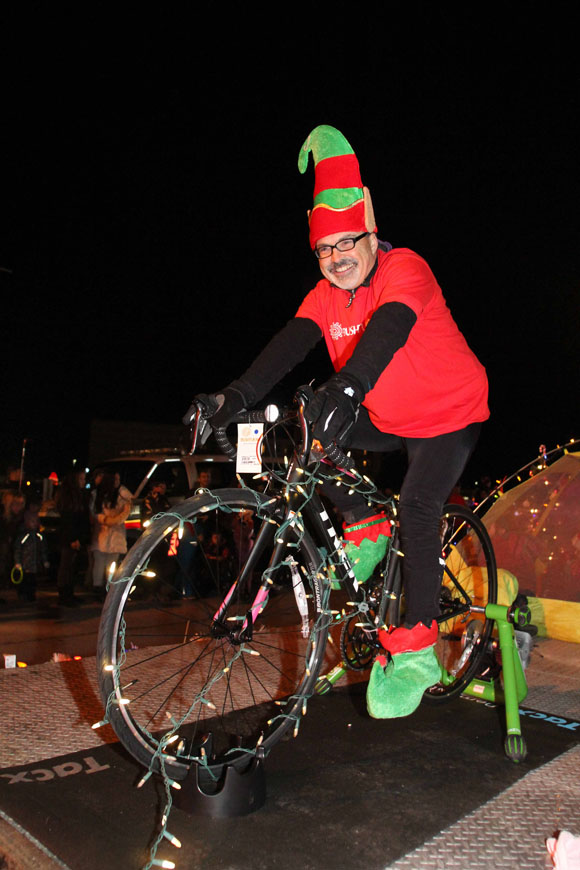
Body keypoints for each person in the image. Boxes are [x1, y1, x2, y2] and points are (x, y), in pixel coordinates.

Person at [184, 125, 489, 718]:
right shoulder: (327, 296)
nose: (335, 258)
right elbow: (288, 346)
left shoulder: (407, 269)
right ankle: (367, 528)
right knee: (307, 429)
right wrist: (232, 396)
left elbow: (389, 330)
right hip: (391, 415)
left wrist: (347, 385)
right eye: (323, 249)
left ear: (371, 234)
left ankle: (417, 651)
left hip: (451, 413)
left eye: (346, 242)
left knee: (421, 506)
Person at [90, 471, 132, 601]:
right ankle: (97, 589)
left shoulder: (120, 495)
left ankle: (110, 589)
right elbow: (94, 513)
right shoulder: (97, 495)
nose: (117, 482)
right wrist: (105, 520)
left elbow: (127, 508)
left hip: (116, 535)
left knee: (112, 564)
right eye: (115, 480)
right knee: (99, 563)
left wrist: (116, 519)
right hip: (101, 534)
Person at [56, 469, 90, 606]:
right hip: (70, 537)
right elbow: (69, 521)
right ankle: (64, 595)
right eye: (81, 479)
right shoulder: (69, 498)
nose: (84, 482)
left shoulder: (78, 496)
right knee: (66, 566)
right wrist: (73, 539)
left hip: (76, 536)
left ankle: (69, 593)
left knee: (72, 566)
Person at [13, 500, 50, 603]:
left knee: (32, 581)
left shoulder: (39, 536)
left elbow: (43, 549)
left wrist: (45, 560)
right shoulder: (24, 535)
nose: (34, 524)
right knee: (25, 580)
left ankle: (30, 595)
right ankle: (23, 594)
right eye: (32, 521)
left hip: (34, 563)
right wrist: (18, 562)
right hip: (25, 564)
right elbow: (18, 549)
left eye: (35, 521)